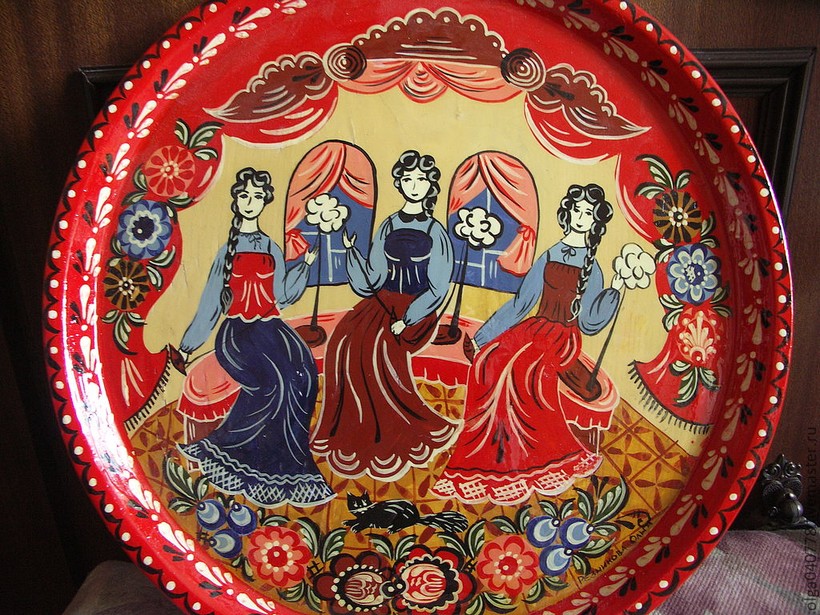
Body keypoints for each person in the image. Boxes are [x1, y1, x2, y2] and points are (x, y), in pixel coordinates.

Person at [431, 183, 621, 506]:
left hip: (562, 337)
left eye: (588, 213)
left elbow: (590, 322)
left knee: (522, 369)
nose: (580, 217)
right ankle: (493, 446)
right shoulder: (551, 254)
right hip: (535, 328)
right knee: (490, 360)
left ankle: (525, 455)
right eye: (576, 210)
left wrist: (613, 291)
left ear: (595, 221)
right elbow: (521, 303)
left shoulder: (594, 267)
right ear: (568, 213)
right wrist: (482, 337)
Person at [177, 167, 334, 508]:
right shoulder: (227, 251)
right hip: (239, 333)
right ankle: (241, 455)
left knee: (303, 375)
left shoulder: (270, 246)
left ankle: (288, 463)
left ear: (265, 202)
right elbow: (210, 302)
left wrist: (305, 265)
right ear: (236, 201)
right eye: (245, 196)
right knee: (274, 383)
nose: (250, 202)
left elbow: (283, 296)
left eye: (257, 197)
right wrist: (188, 345)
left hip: (271, 328)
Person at [311, 150, 459, 481]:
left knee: (376, 345)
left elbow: (438, 287)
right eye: (408, 179)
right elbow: (373, 280)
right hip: (384, 300)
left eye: (421, 179)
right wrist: (351, 252)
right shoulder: (389, 224)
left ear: (430, 185)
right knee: (344, 339)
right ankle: (352, 428)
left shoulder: (435, 231)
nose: (414, 185)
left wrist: (408, 319)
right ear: (400, 184)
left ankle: (394, 428)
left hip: (417, 307)